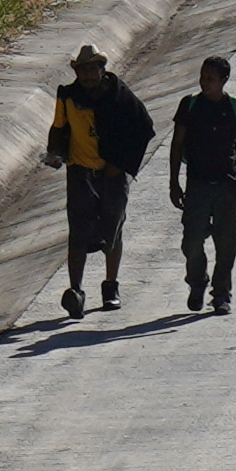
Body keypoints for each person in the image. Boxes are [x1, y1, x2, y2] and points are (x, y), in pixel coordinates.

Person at [43, 43, 153, 315]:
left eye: (93, 69)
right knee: (77, 234)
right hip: (80, 172)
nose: (89, 75)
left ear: (103, 70)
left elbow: (143, 128)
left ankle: (110, 287)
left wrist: (120, 164)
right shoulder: (68, 96)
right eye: (83, 70)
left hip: (112, 175)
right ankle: (76, 291)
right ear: (77, 72)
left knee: (113, 231)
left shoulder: (119, 96)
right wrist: (55, 154)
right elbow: (58, 128)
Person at [167, 55, 236, 314]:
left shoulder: (235, 107)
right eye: (202, 77)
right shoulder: (190, 106)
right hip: (197, 184)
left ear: (224, 80)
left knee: (228, 242)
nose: (204, 83)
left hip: (227, 185)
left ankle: (221, 294)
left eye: (211, 79)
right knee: (192, 241)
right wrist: (174, 182)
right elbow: (176, 144)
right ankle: (197, 283)